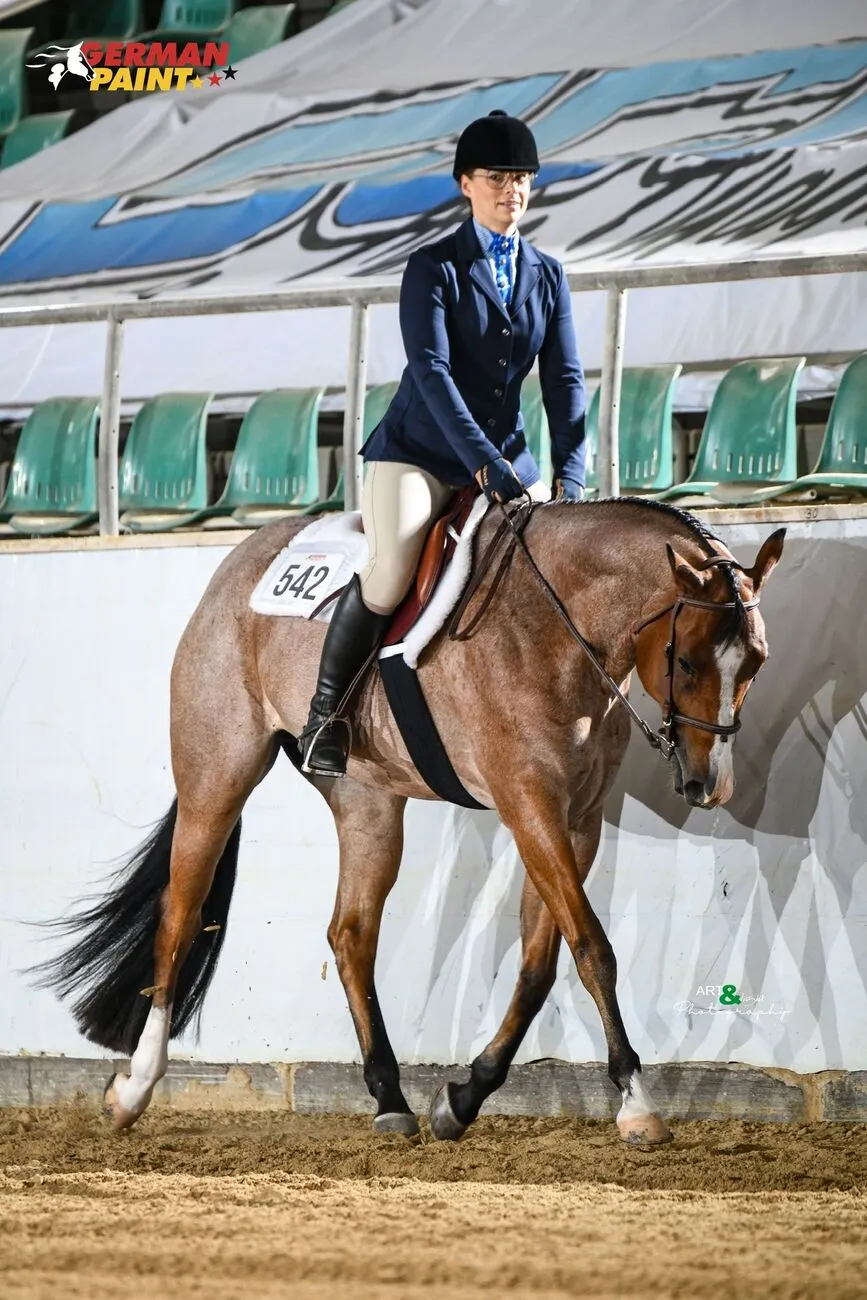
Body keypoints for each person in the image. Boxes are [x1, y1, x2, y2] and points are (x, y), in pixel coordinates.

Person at [299, 109, 587, 777]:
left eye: (521, 178)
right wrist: (481, 465)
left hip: (507, 460)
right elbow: (430, 373)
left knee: (557, 565)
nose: (510, 189)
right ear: (465, 184)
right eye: (495, 177)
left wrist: (570, 478)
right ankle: (327, 717)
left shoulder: (547, 274)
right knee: (391, 570)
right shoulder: (432, 267)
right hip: (418, 454)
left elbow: (565, 378)